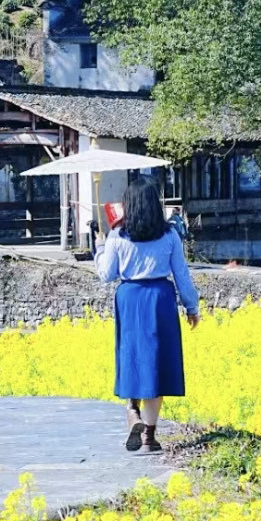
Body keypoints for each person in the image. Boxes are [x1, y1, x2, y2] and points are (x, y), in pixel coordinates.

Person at [95, 179, 200, 455]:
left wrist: (99, 248)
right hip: (160, 298)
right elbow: (182, 276)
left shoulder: (118, 236)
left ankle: (132, 411)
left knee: (131, 356)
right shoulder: (169, 236)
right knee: (156, 363)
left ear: (128, 205)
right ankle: (150, 437)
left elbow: (107, 275)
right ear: (156, 204)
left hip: (130, 297)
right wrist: (192, 307)